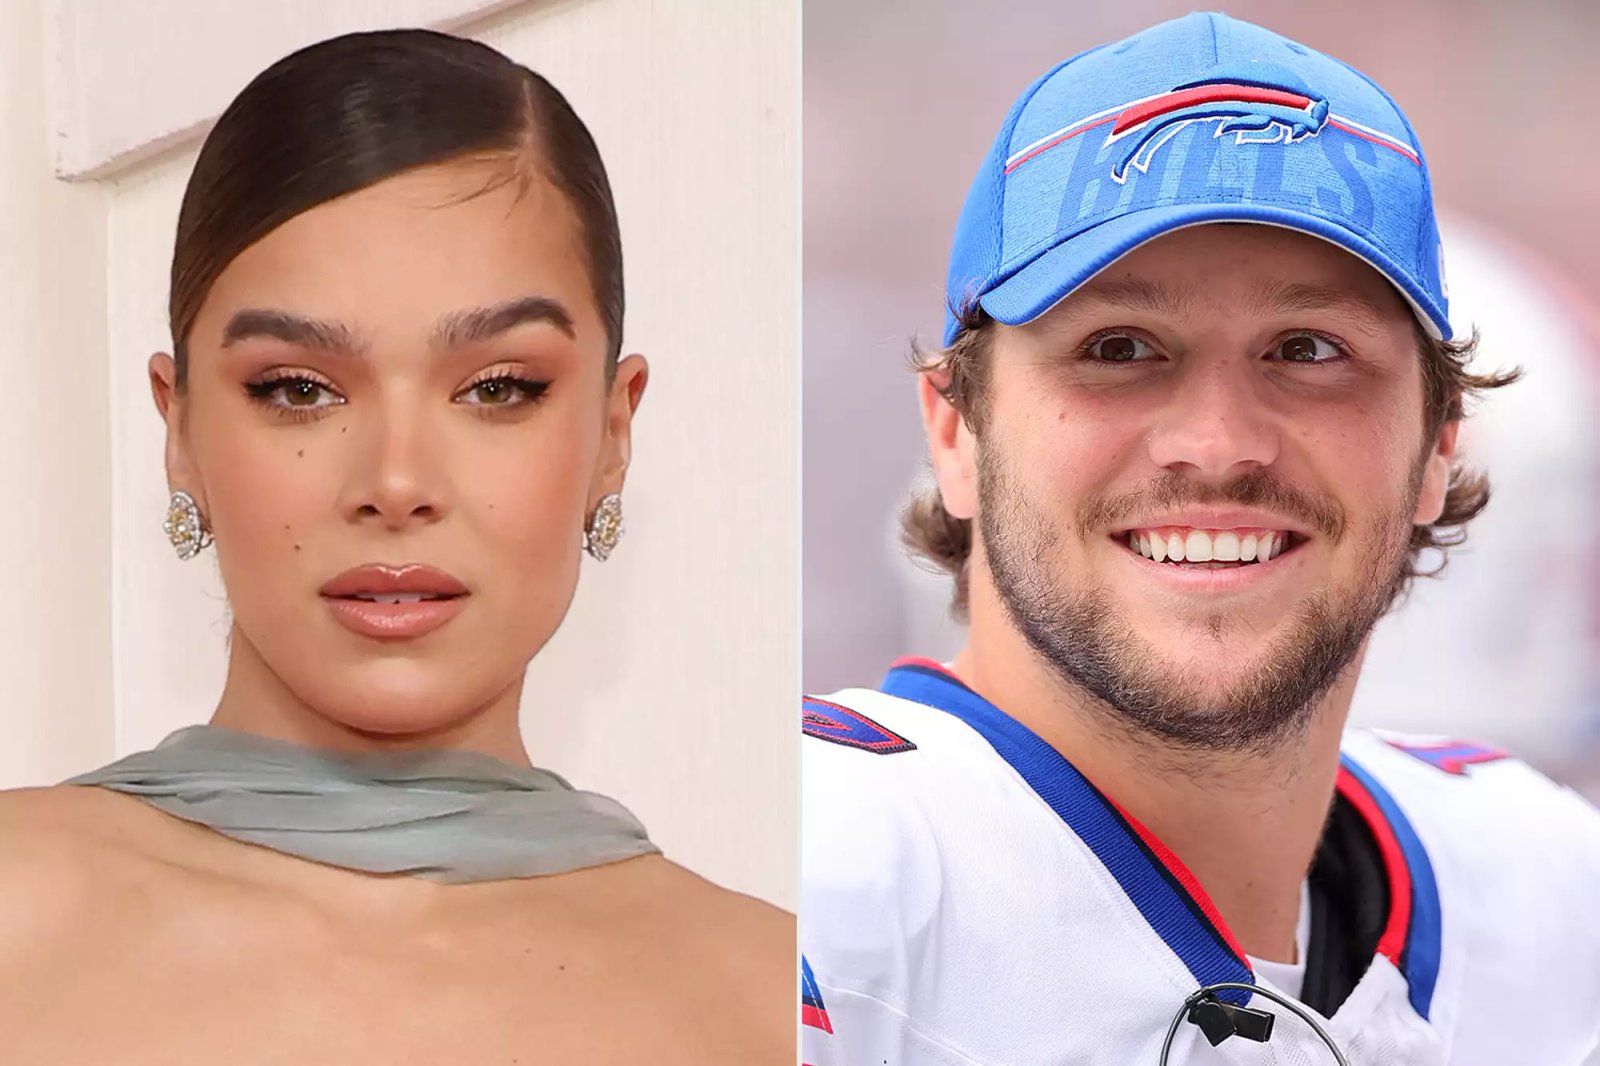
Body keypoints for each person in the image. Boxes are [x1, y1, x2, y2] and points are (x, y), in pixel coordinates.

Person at [801, 12, 1600, 1065]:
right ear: (955, 430)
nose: (1219, 444)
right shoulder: (817, 878)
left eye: (1308, 349)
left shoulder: (1548, 893)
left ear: (1438, 445)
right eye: (1119, 346)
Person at [0, 29, 790, 1063]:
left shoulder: (781, 1000)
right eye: (296, 389)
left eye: (498, 389)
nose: (396, 486)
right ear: (180, 427)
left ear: (612, 431)